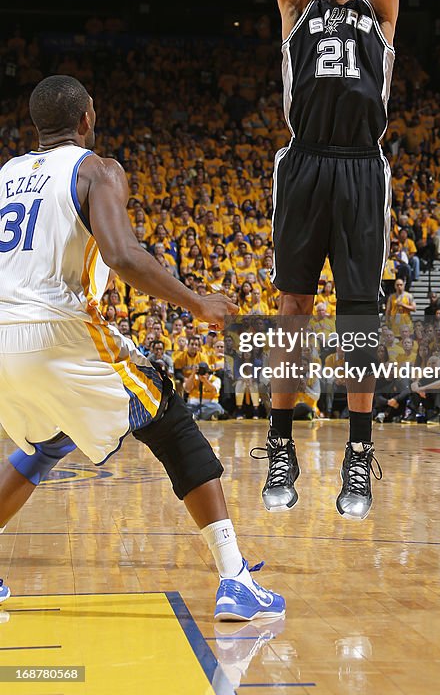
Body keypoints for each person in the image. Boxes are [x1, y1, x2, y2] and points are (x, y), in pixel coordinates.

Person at [0, 75, 284, 620]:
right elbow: (124, 256)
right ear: (88, 118)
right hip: (58, 330)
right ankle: (235, 580)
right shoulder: (97, 169)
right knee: (170, 417)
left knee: (46, 442)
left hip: (7, 338)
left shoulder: (7, 174)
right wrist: (197, 302)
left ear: (38, 125)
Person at [255, 0, 399, 521]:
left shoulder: (380, 12)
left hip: (360, 165)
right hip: (305, 158)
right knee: (292, 308)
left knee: (360, 318)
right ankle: (280, 442)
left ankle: (360, 452)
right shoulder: (296, 8)